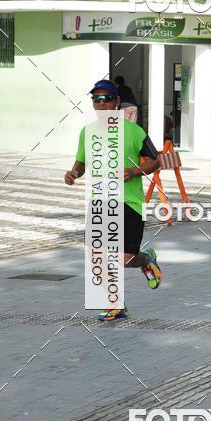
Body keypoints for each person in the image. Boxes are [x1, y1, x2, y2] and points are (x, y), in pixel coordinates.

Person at [65, 79, 162, 321]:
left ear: (116, 102)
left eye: (105, 99)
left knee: (124, 258)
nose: (100, 103)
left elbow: (155, 160)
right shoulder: (87, 132)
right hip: (99, 200)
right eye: (95, 99)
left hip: (128, 202)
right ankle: (115, 303)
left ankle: (146, 259)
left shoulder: (133, 131)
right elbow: (81, 162)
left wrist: (133, 172)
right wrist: (74, 173)